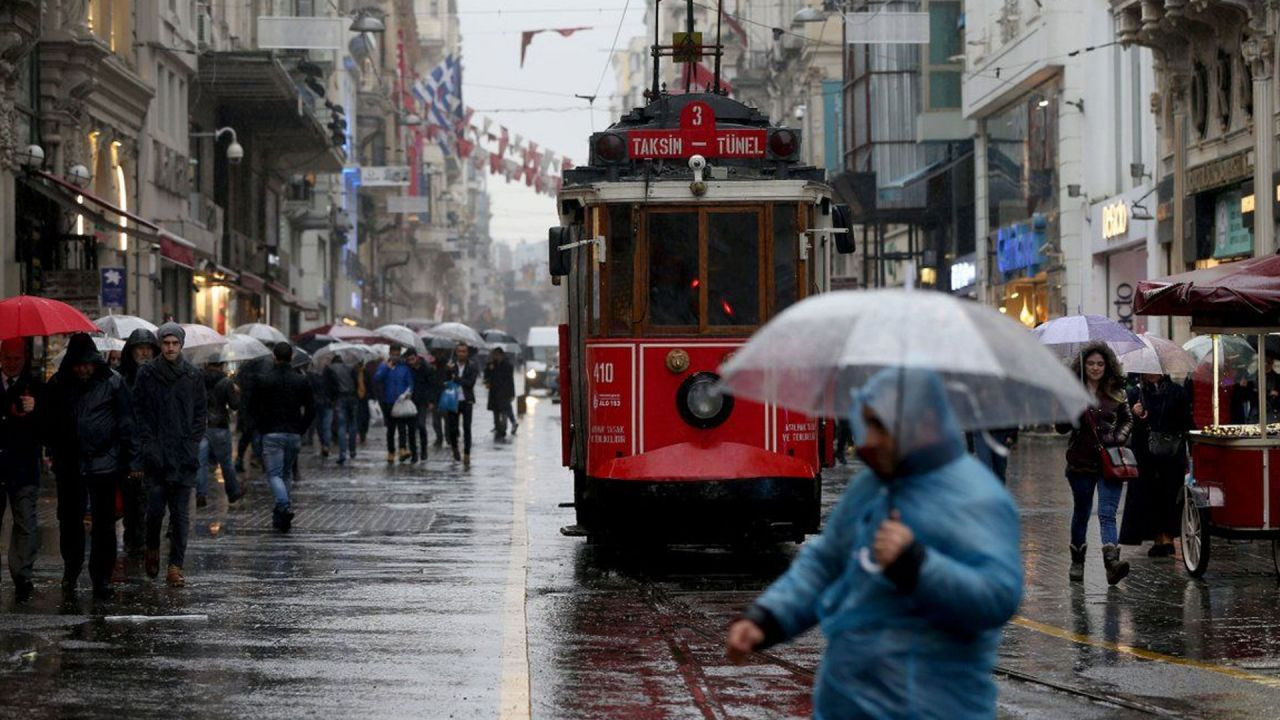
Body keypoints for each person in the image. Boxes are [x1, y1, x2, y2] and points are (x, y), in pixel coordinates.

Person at [725, 368, 1022, 718]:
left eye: (881, 425)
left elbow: (998, 597)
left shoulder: (977, 497)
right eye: (867, 424)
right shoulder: (872, 486)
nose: (870, 440)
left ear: (923, 422)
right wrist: (767, 618)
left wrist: (917, 565)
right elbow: (825, 563)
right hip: (846, 703)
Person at [44, 333, 140, 599]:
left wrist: (131, 460)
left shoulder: (112, 382)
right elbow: (48, 422)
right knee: (70, 521)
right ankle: (71, 569)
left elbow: (126, 423)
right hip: (70, 463)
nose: (84, 369)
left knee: (104, 524)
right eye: (79, 364)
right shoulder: (58, 384)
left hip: (104, 462)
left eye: (88, 363)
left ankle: (101, 577)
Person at [132, 323, 207, 588]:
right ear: (160, 345)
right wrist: (148, 443)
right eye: (166, 343)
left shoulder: (193, 375)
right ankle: (151, 547)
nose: (171, 348)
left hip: (183, 457)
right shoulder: (147, 374)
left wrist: (192, 443)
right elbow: (137, 409)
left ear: (181, 345)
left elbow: (200, 414)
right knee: (154, 511)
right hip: (156, 456)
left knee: (180, 516)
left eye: (175, 343)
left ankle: (175, 565)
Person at [1057, 342, 1134, 585]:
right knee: (1081, 512)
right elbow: (1060, 428)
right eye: (1091, 363)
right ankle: (1077, 560)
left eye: (1100, 364)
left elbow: (1127, 420)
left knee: (1107, 513)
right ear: (1083, 365)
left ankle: (1111, 563)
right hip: (1080, 462)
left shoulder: (1116, 391)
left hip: (1110, 461)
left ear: (1107, 365)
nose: (1095, 368)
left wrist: (1117, 437)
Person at [1121, 373, 1192, 556]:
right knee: (1149, 493)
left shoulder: (1177, 392)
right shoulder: (1134, 394)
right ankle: (1156, 537)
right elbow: (1125, 424)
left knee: (1169, 493)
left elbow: (1185, 421)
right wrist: (1134, 413)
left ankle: (1168, 537)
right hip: (1145, 454)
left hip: (1171, 452)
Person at [251, 342, 314, 532]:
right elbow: (311, 408)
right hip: (293, 433)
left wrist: (260, 427)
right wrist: (301, 428)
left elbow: (255, 408)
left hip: (271, 433)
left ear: (274, 357)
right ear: (292, 356)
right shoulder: (301, 380)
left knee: (274, 474)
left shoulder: (264, 380)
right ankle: (282, 511)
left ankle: (283, 503)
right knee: (286, 473)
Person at [0, 338, 41, 601]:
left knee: (26, 522)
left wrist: (36, 410)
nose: (12, 363)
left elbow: (49, 425)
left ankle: (22, 574)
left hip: (24, 466)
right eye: (8, 358)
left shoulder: (34, 386)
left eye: (17, 358)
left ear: (25, 358)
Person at [118, 328, 160, 557]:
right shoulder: (121, 379)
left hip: (151, 445)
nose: (144, 353)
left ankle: (141, 539)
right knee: (130, 497)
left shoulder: (159, 377)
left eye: (148, 348)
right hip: (126, 447)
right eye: (139, 348)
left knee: (147, 496)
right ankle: (132, 536)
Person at [195, 354, 244, 507]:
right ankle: (234, 492)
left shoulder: (197, 379)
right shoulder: (226, 382)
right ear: (221, 365)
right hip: (220, 427)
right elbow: (235, 405)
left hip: (202, 426)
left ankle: (200, 494)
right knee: (226, 463)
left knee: (201, 463)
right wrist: (237, 392)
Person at [373, 345, 415, 463]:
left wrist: (408, 392)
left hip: (400, 401)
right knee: (390, 429)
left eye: (397, 354)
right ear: (390, 353)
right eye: (393, 354)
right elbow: (377, 378)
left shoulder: (404, 368)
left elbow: (410, 383)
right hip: (388, 401)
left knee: (402, 427)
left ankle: (402, 449)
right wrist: (387, 368)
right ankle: (391, 452)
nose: (395, 357)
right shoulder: (384, 365)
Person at [446, 343, 480, 463]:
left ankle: (467, 453)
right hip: (453, 400)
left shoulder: (472, 366)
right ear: (456, 353)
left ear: (467, 353)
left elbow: (470, 383)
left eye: (464, 351)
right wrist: (448, 372)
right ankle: (455, 448)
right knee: (453, 429)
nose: (461, 354)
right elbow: (445, 381)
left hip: (467, 400)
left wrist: (456, 379)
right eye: (459, 351)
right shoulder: (451, 366)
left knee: (467, 428)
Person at [404, 349, 439, 462]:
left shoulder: (426, 368)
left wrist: (431, 401)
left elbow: (432, 385)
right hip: (410, 401)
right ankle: (414, 453)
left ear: (417, 358)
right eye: (408, 360)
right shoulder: (407, 369)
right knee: (411, 428)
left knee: (421, 425)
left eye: (412, 359)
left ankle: (423, 450)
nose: (410, 362)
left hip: (423, 402)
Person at [324, 355, 359, 464]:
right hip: (352, 397)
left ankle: (342, 454)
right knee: (352, 424)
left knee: (342, 426)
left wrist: (332, 399)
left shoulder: (329, 369)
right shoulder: (351, 367)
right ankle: (352, 450)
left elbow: (328, 386)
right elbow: (356, 382)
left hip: (339, 398)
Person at [485, 347, 518, 439]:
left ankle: (503, 428)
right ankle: (498, 426)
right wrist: (489, 368)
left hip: (504, 392)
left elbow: (510, 380)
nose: (496, 357)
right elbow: (486, 375)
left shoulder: (507, 365)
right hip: (494, 392)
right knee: (495, 411)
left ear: (501, 355)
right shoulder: (492, 365)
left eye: (497, 355)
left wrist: (512, 394)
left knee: (504, 410)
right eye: (494, 355)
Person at [307, 365, 334, 457]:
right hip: (327, 402)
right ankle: (326, 445)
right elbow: (333, 387)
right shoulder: (330, 372)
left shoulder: (310, 374)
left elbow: (309, 388)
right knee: (326, 426)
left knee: (319, 426)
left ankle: (324, 444)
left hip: (316, 403)